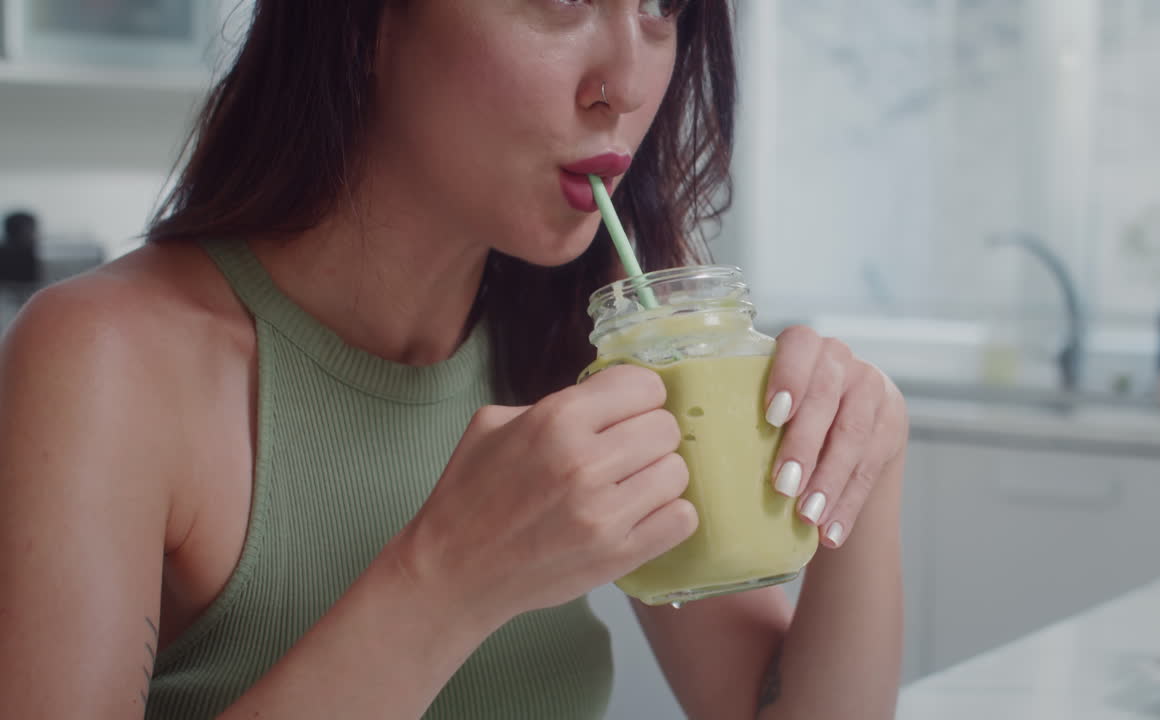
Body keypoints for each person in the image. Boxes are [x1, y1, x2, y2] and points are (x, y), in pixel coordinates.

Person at [0, 2, 908, 718]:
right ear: (364, 24)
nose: (625, 83)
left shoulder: (589, 344)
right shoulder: (103, 362)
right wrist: (443, 584)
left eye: (661, 5)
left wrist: (865, 458)